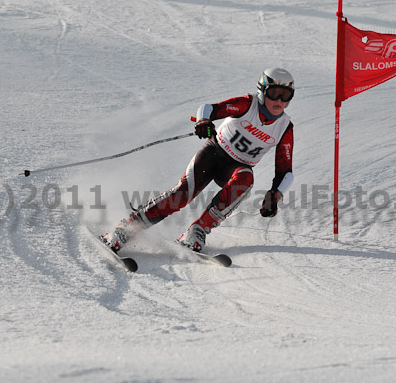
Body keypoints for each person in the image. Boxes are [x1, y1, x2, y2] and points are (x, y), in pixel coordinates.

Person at [103, 67, 296, 253]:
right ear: (262, 91)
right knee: (182, 195)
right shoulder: (247, 104)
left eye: (285, 95)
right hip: (213, 154)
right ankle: (127, 227)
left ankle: (197, 230)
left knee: (245, 180)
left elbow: (285, 170)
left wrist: (275, 195)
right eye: (274, 93)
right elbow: (209, 109)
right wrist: (203, 122)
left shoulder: (284, 127)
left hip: (237, 167)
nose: (279, 100)